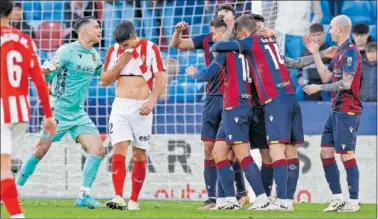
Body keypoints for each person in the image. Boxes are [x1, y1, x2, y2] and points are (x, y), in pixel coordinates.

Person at [211, 14, 305, 211]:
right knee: (288, 150)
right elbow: (292, 62)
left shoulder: (250, 42)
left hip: (269, 102)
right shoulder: (271, 39)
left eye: (239, 34)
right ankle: (283, 200)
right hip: (290, 97)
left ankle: (276, 201)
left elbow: (216, 47)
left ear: (244, 32)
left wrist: (230, 33)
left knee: (273, 151)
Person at [16, 16, 105, 208]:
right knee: (40, 150)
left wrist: (123, 64)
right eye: (96, 27)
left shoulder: (95, 55)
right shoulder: (67, 51)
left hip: (79, 113)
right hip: (59, 110)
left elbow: (104, 77)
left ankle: (83, 196)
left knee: (97, 150)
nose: (100, 30)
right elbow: (48, 70)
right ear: (84, 31)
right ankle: (14, 190)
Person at [187, 16, 271, 211]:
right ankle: (228, 200)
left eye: (217, 33)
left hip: (236, 105)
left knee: (242, 153)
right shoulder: (250, 49)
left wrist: (195, 74)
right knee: (218, 152)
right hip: (238, 105)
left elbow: (208, 74)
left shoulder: (226, 50)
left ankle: (261, 197)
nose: (214, 37)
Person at [170, 4, 248, 209]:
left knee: (232, 150)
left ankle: (238, 193)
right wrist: (178, 32)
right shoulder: (207, 38)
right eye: (222, 17)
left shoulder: (239, 41)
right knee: (208, 148)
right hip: (212, 97)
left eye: (229, 18)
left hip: (234, 98)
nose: (225, 20)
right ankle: (213, 197)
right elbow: (176, 45)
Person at [100, 20, 166, 211]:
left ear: (134, 37)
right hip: (120, 106)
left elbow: (160, 78)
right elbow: (104, 81)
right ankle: (118, 197)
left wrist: (152, 100)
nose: (123, 48)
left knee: (139, 153)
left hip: (142, 107)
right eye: (121, 45)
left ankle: (134, 200)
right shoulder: (114, 51)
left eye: (126, 44)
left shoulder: (151, 48)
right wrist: (119, 64)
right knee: (119, 148)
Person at [1, 0, 56, 217]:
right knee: (6, 167)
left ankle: (17, 216)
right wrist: (49, 115)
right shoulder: (25, 40)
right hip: (21, 112)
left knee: (3, 168)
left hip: (2, 110)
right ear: (9, 12)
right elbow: (39, 81)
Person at [303, 15, 363, 212]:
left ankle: (353, 201)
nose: (328, 32)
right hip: (335, 109)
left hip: (348, 109)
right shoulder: (339, 53)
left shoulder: (351, 53)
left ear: (339, 29)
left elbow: (346, 83)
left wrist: (320, 88)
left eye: (330, 28)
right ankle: (338, 198)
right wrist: (316, 54)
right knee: (325, 152)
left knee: (346, 154)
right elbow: (327, 76)